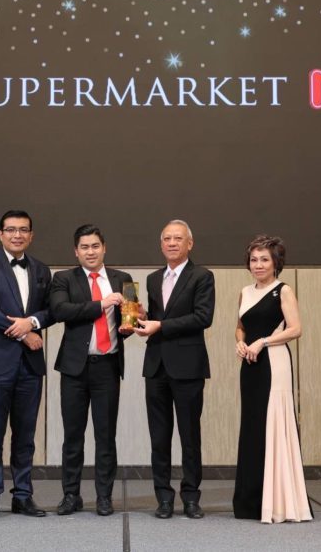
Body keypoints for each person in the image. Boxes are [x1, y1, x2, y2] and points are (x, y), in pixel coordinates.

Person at [0, 210, 53, 521]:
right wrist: (23, 333)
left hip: (30, 366)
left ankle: (22, 496)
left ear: (31, 235)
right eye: (11, 230)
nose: (17, 235)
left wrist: (33, 323)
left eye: (23, 230)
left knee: (25, 435)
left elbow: (51, 310)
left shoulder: (42, 270)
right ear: (0, 234)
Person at [49, 224, 134, 517]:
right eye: (84, 247)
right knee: (73, 436)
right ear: (76, 251)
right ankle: (70, 495)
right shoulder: (63, 279)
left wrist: (132, 323)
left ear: (104, 248)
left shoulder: (123, 279)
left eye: (95, 246)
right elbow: (61, 311)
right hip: (74, 368)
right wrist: (101, 304)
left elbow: (129, 320)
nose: (90, 252)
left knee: (105, 436)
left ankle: (104, 497)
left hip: (107, 367)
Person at [135, 219, 215, 520]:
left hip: (188, 367)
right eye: (167, 238)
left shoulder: (202, 276)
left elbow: (203, 317)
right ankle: (164, 498)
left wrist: (160, 325)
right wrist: (143, 316)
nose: (171, 243)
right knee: (159, 437)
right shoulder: (153, 278)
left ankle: (191, 497)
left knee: (189, 435)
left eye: (178, 238)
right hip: (156, 366)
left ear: (189, 244)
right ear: (161, 244)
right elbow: (158, 317)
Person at [232, 235, 313, 523]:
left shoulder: (284, 290)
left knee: (273, 425)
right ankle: (250, 503)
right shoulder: (244, 292)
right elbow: (240, 327)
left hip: (274, 363)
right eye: (254, 259)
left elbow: (295, 329)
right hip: (250, 365)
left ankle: (277, 503)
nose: (258, 265)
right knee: (252, 426)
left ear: (276, 262)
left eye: (264, 259)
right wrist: (240, 342)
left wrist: (263, 342)